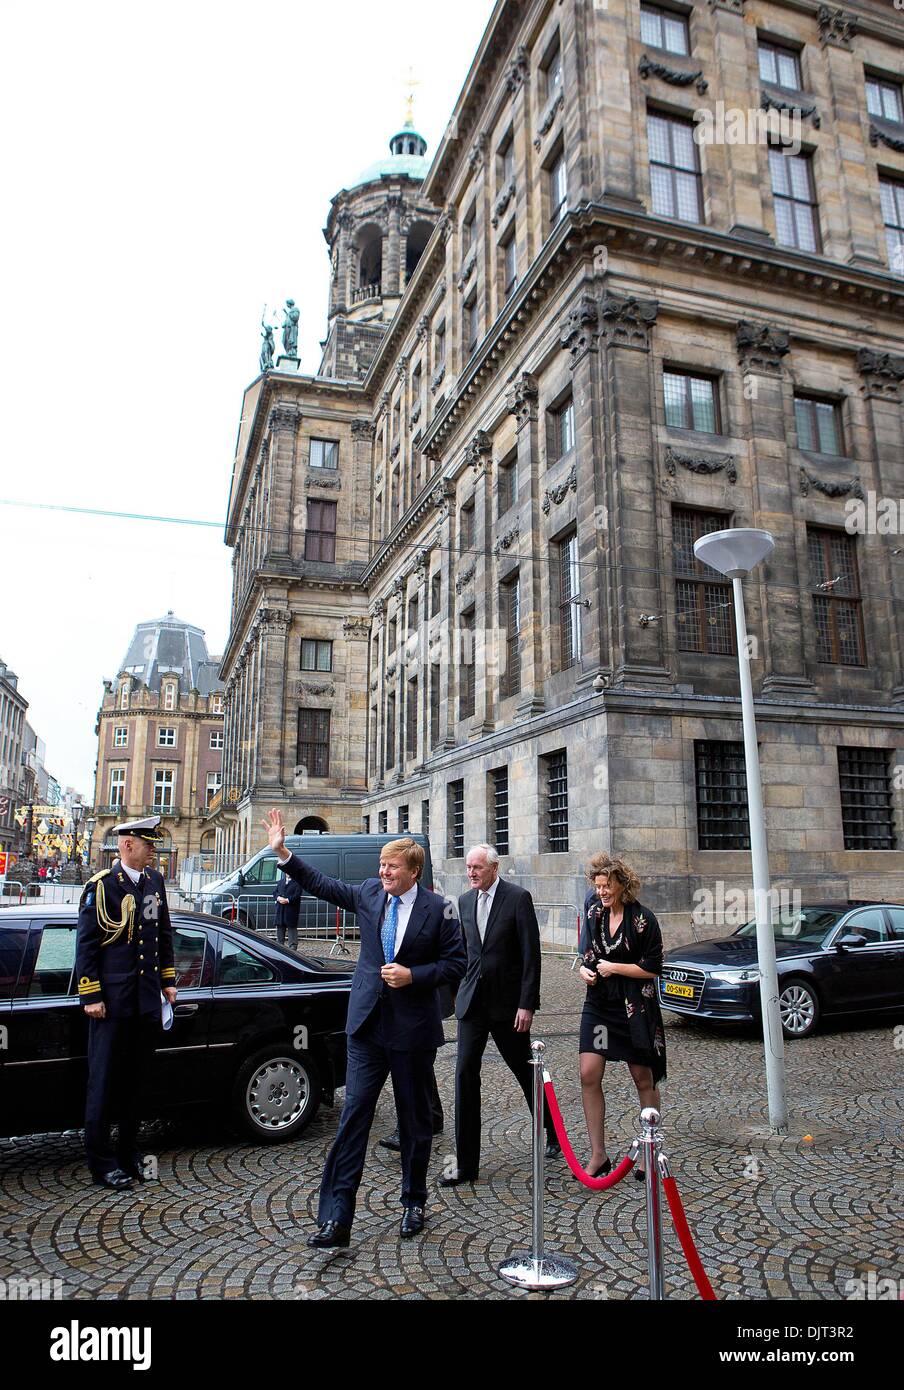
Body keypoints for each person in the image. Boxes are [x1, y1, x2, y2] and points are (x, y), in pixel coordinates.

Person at [262, 809, 465, 1247]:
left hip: (412, 1032)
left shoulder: (438, 909)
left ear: (414, 871)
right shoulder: (372, 893)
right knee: (355, 1116)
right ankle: (337, 1217)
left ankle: (413, 1200)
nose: (383, 872)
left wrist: (415, 976)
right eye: (381, 865)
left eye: (392, 867)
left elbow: (456, 964)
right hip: (366, 1027)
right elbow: (323, 886)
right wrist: (283, 852)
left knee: (413, 1121)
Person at [440, 844, 559, 1187]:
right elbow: (464, 953)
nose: (471, 872)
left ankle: (551, 1130)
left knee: (525, 1072)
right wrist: (454, 992)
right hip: (473, 1006)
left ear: (494, 868)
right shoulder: (464, 902)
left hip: (508, 1008)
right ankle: (466, 1164)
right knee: (464, 1074)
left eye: (477, 867)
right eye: (468, 867)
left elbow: (530, 955)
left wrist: (527, 1004)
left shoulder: (517, 898)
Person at [75, 816, 176, 1190]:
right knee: (103, 1083)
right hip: (112, 1002)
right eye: (148, 843)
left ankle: (128, 1152)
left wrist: (167, 982)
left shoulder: (154, 882)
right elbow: (86, 945)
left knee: (136, 1083)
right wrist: (91, 994)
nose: (154, 849)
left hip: (145, 999)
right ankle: (101, 1162)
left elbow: (161, 934)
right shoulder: (101, 887)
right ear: (127, 845)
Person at [578, 853, 666, 1180]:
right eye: (598, 886)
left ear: (622, 886)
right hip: (600, 1002)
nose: (601, 892)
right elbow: (588, 955)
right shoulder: (593, 913)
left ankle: (648, 1149)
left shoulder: (643, 919)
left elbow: (653, 968)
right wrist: (587, 973)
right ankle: (598, 1155)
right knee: (588, 1072)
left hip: (634, 1006)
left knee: (643, 1077)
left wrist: (615, 968)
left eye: (607, 886)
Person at [273, 867, 301, 951]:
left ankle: (293, 948)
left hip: (291, 910)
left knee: (292, 929)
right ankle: (279, 947)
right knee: (280, 929)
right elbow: (275, 892)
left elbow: (297, 895)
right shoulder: (280, 882)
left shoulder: (297, 883)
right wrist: (278, 898)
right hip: (280, 910)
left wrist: (287, 900)